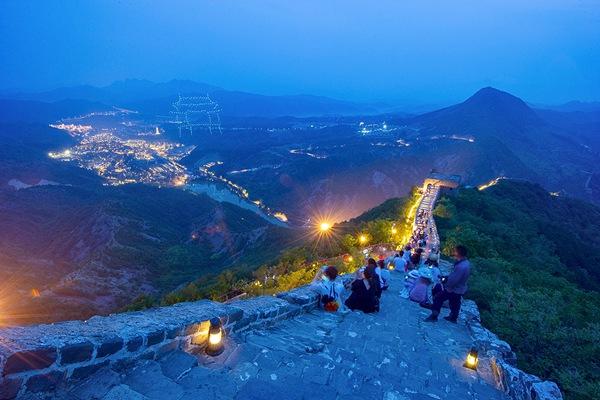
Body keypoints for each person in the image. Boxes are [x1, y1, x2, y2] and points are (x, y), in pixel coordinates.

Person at [424, 245, 471, 323]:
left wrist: (445, 282)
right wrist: (447, 277)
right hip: (460, 288)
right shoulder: (466, 263)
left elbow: (454, 280)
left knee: (438, 298)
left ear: (458, 253)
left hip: (453, 289)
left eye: (455, 251)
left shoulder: (461, 266)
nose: (453, 252)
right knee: (455, 302)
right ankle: (453, 317)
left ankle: (434, 316)